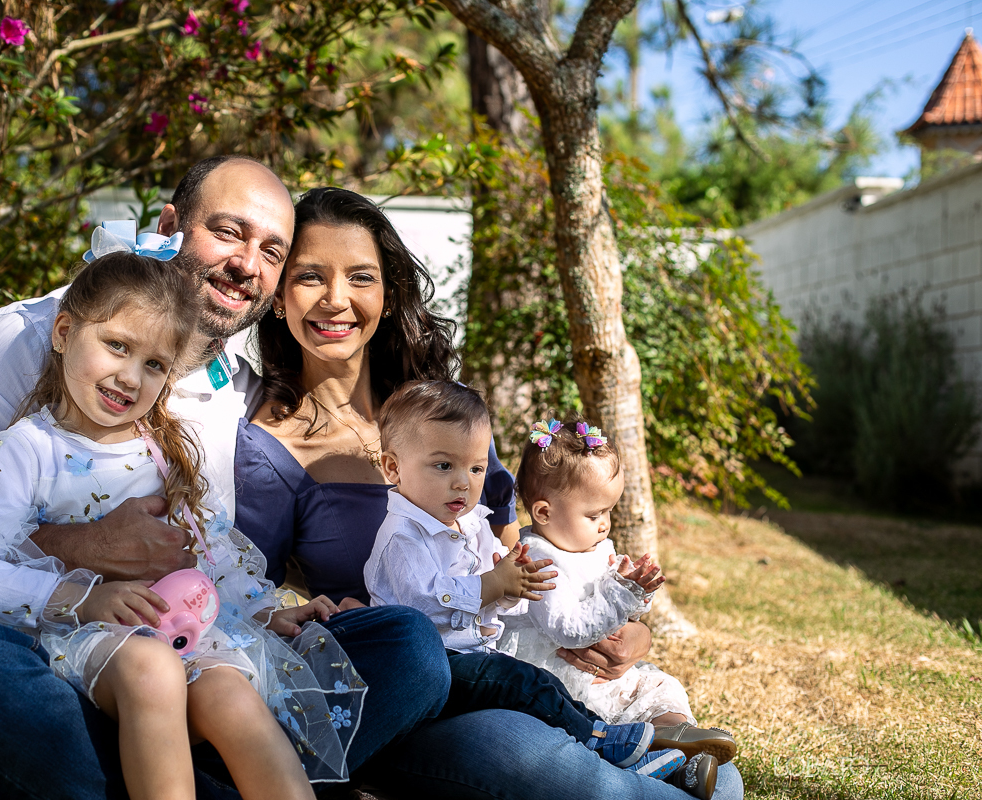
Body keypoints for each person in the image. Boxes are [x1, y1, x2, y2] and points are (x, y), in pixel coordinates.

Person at [0, 157, 449, 800]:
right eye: (227, 232)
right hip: (35, 668)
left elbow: (206, 543)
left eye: (272, 251)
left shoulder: (235, 396)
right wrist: (74, 551)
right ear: (170, 224)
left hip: (184, 665)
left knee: (406, 647)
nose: (246, 265)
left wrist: (268, 613)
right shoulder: (25, 337)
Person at [235, 185, 746, 799]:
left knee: (722, 783)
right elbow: (248, 599)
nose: (336, 299)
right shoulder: (267, 444)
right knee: (561, 772)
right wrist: (312, 619)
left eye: (360, 277)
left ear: (389, 292)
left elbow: (521, 568)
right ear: (278, 294)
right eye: (309, 276)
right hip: (396, 689)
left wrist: (629, 630)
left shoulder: (445, 417)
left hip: (506, 663)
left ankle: (642, 753)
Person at [0, 250, 366, 800]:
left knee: (232, 695)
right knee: (152, 670)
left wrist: (265, 608)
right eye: (117, 346)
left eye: (155, 365)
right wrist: (79, 598)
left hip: (177, 629)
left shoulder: (158, 447)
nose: (130, 376)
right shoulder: (25, 450)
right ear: (65, 332)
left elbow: (203, 545)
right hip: (77, 633)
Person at [364, 379, 693, 781]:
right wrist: (493, 584)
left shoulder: (470, 524)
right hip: (432, 672)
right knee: (522, 682)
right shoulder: (402, 537)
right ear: (393, 467)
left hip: (475, 656)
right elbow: (422, 609)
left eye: (476, 467)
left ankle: (615, 744)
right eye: (444, 465)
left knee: (537, 684)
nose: (463, 483)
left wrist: (515, 586)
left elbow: (499, 600)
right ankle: (602, 744)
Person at [498, 414, 740, 799]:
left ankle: (681, 742)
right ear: (543, 513)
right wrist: (621, 595)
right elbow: (568, 629)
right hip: (562, 677)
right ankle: (662, 756)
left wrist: (638, 593)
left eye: (609, 511)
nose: (604, 525)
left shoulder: (592, 546)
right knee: (609, 715)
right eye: (594, 515)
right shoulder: (536, 559)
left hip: (604, 672)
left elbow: (621, 614)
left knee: (660, 684)